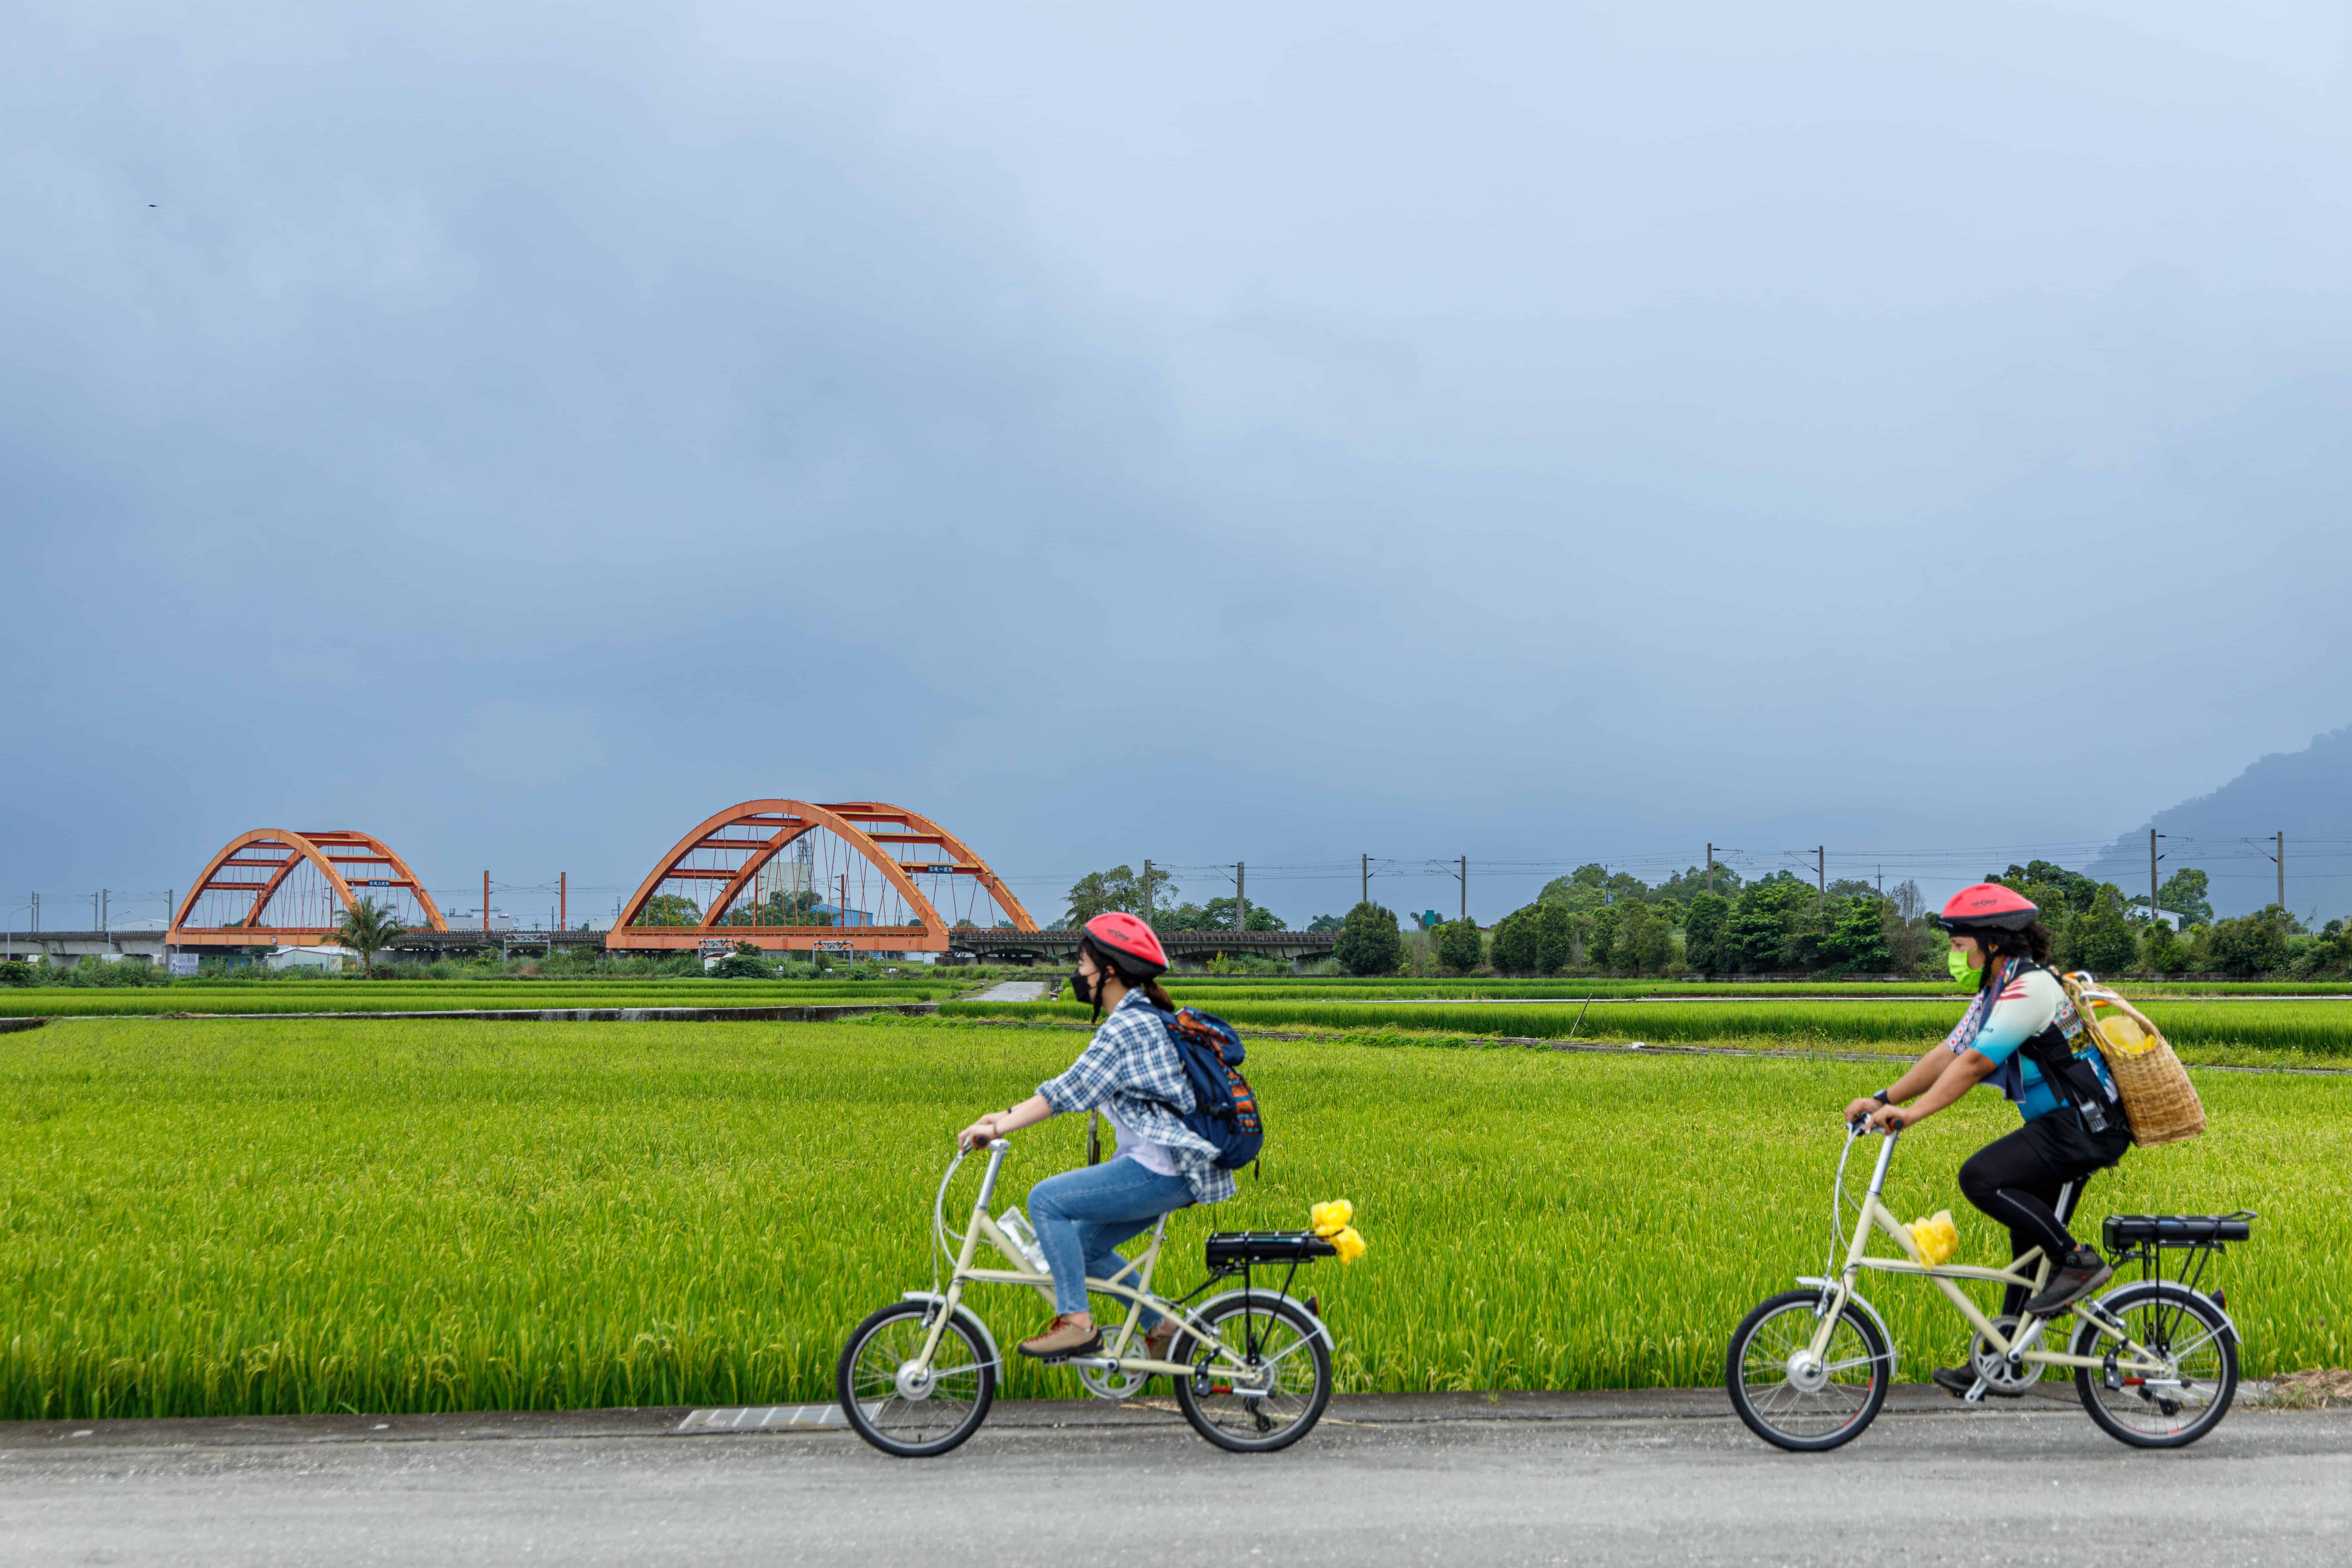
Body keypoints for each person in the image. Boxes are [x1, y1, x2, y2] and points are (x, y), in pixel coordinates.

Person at [1843, 882, 2132, 1399]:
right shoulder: (1997, 989)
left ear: (1992, 943)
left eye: (1958, 945)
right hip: (2059, 1127)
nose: (1952, 955)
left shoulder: (2030, 989)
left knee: (1981, 1178)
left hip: (2084, 1128)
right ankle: (2005, 1360)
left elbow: (1976, 1064)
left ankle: (2078, 1260)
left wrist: (1909, 1115)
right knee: (2025, 1251)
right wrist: (1882, 1096)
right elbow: (1948, 1053)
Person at [957, 911, 1234, 1361]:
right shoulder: (1142, 1015)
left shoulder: (1127, 1024)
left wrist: (997, 1126)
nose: (1076, 976)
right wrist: (1000, 1115)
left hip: (1160, 1169)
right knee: (1083, 1248)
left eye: (1083, 966)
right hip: (1170, 1168)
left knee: (1046, 1200)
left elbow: (1067, 1091)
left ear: (1109, 973)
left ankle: (1077, 1323)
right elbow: (1074, 1086)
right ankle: (1161, 1329)